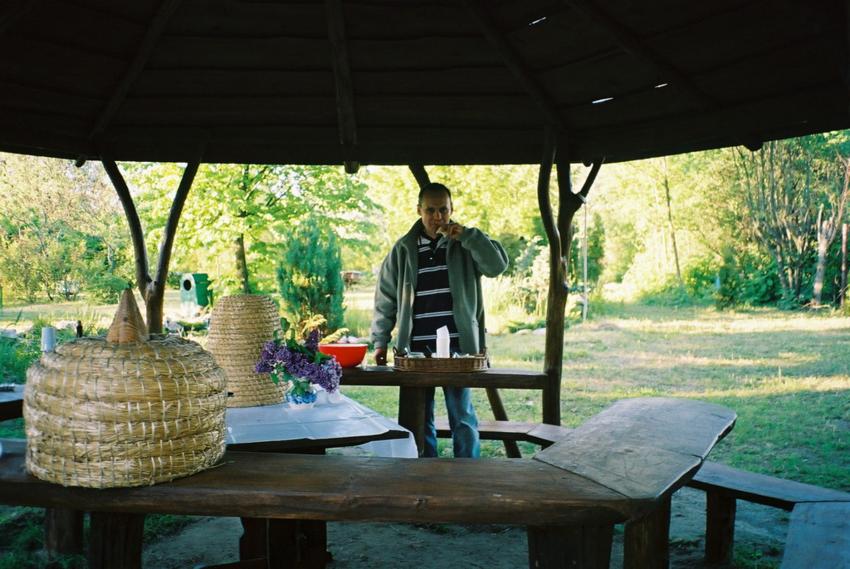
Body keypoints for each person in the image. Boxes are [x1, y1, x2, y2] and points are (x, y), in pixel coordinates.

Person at [371, 182, 508, 457]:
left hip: (459, 349)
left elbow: (496, 266)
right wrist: (380, 341)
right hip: (415, 351)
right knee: (419, 418)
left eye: (443, 210)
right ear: (418, 210)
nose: (437, 217)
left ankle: (467, 471)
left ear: (451, 209)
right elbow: (385, 299)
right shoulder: (403, 249)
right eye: (430, 210)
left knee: (463, 417)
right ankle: (424, 471)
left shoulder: (466, 243)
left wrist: (468, 236)